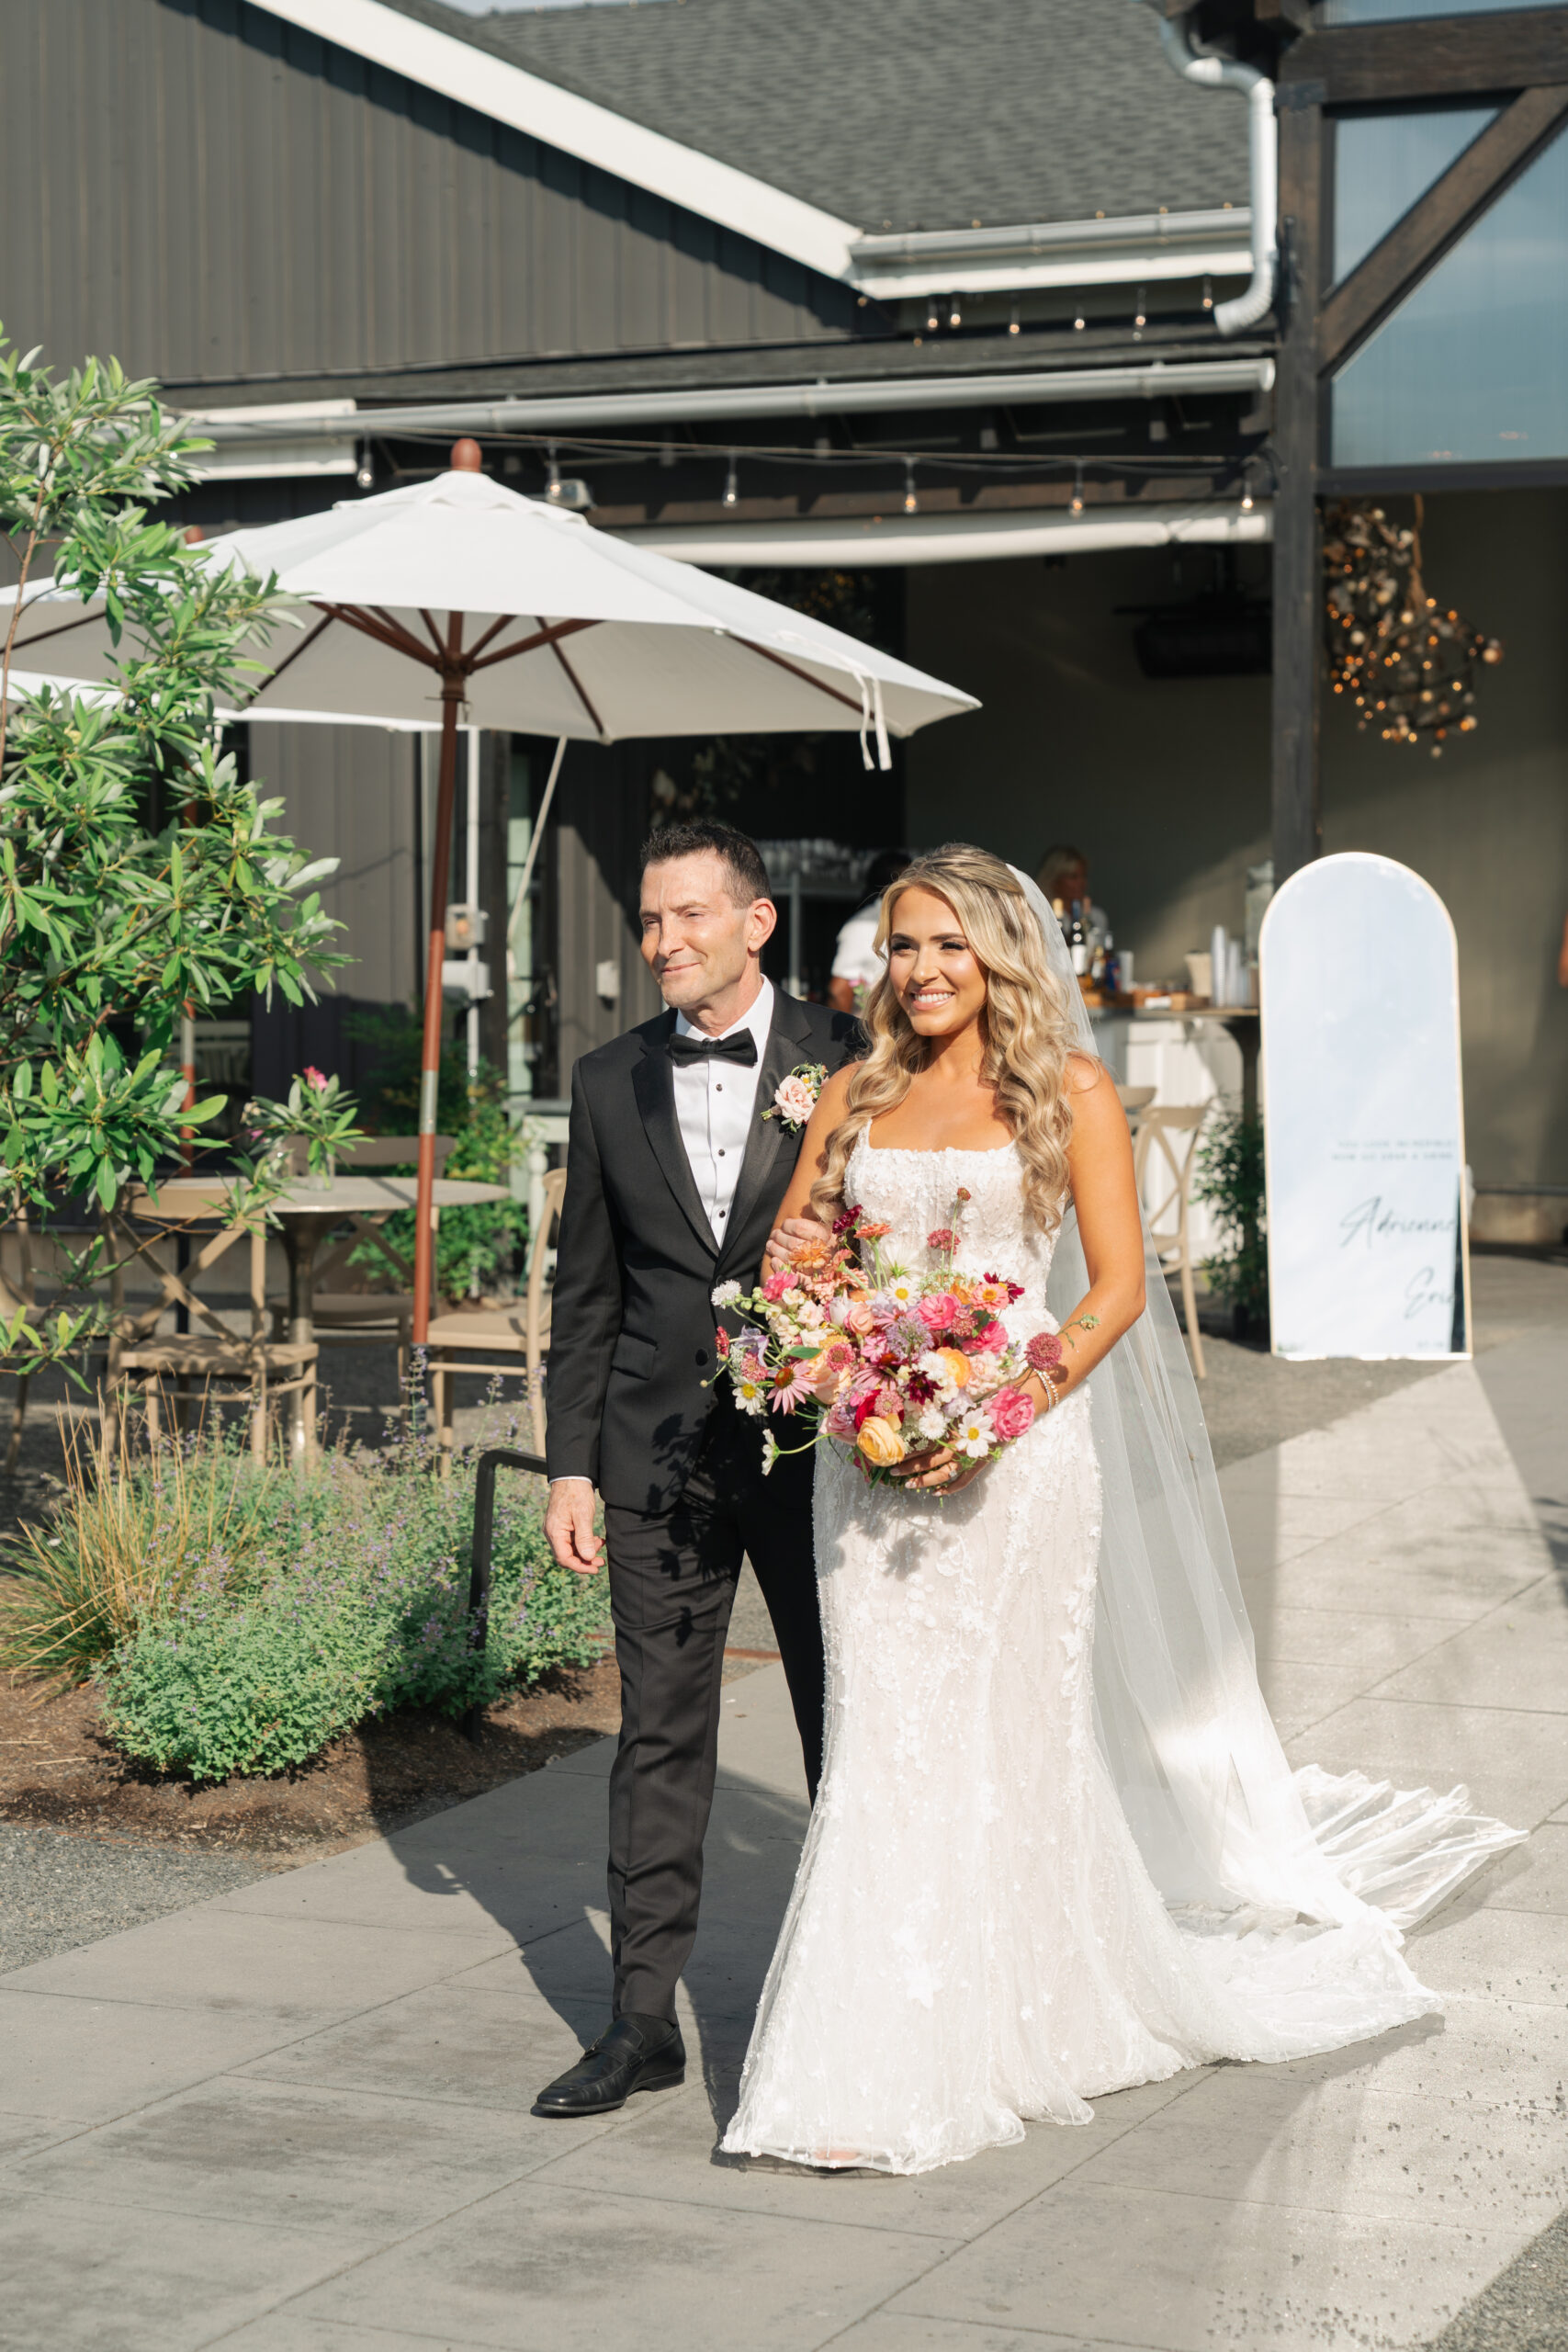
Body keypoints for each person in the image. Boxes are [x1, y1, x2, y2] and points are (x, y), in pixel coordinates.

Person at [719, 842, 1517, 2175]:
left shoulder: (1067, 1090)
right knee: (883, 1741)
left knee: (1007, 1734)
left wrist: (996, 1412)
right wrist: (803, 1280)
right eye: (903, 945)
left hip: (1018, 1457)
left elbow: (1114, 1291)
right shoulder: (851, 1095)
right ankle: (877, 2051)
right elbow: (795, 1265)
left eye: (949, 945)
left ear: (1001, 956)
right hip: (867, 1465)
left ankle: (1024, 2015)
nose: (921, 970)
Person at [534, 820, 861, 2120]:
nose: (662, 941)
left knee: (843, 1721)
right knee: (659, 1735)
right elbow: (585, 1293)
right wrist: (570, 1467)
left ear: (755, 921)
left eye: (688, 916)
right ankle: (637, 2023)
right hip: (652, 1457)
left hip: (818, 1450)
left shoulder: (851, 1054)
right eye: (651, 921)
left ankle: (848, 2000)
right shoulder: (607, 1078)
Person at [828, 847, 909, 1013]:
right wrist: (850, 1030)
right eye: (912, 878)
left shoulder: (910, 918)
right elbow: (839, 991)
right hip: (871, 1027)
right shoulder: (862, 926)